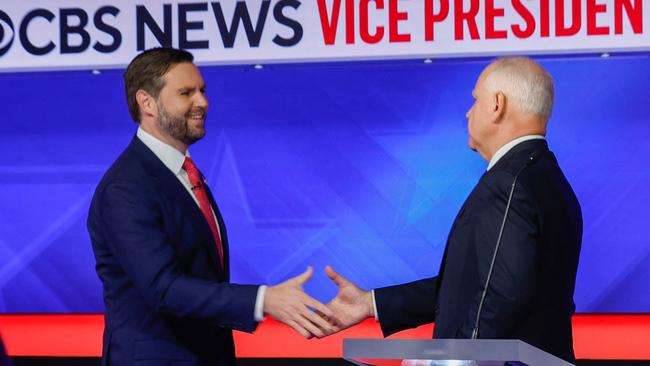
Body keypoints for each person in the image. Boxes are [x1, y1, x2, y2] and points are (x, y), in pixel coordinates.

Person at [325, 57, 583, 363]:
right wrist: (371, 303)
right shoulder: (545, 178)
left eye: (475, 100)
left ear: (497, 105)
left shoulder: (509, 183)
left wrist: (450, 360)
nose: (468, 112)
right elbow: (477, 285)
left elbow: (500, 297)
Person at [87, 47, 333, 366]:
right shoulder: (126, 187)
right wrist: (263, 299)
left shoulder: (183, 172)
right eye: (186, 92)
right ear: (146, 102)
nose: (202, 102)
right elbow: (162, 289)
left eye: (202, 90)